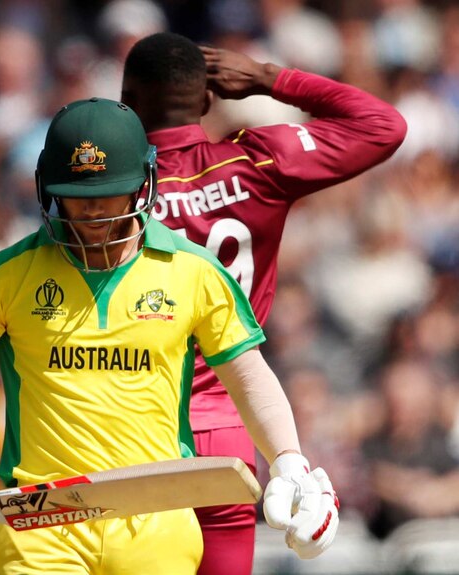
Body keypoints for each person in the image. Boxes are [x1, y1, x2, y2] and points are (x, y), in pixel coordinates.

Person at [0, 97, 338, 574]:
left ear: (144, 184)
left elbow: (250, 379)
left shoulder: (194, 272)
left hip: (157, 522)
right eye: (77, 196)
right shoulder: (7, 275)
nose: (92, 213)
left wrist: (292, 464)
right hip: (39, 525)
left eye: (108, 194)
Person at [119, 33, 407, 575]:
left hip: (132, 430)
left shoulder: (108, 193)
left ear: (126, 104)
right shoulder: (255, 161)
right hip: (230, 428)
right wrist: (271, 77)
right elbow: (383, 125)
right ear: (207, 99)